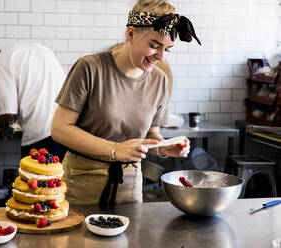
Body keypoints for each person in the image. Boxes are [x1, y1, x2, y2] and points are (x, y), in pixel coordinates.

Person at [51, 0, 201, 206]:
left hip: (129, 185)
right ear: (130, 34)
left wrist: (163, 148)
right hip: (82, 181)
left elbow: (150, 134)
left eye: (168, 49)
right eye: (154, 46)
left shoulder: (159, 80)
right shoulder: (90, 68)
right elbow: (60, 129)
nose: (161, 57)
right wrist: (114, 149)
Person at [0, 43, 67, 159]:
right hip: (68, 128)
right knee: (61, 175)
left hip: (42, 134)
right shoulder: (37, 49)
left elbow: (7, 113)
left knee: (36, 175)